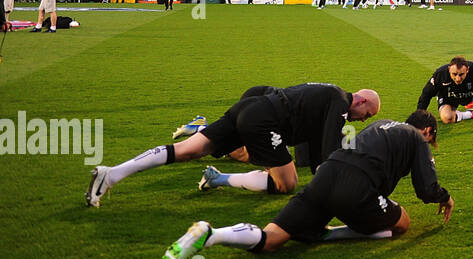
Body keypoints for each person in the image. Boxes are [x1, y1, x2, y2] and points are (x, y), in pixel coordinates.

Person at [161, 111, 453, 259]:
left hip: (326, 174)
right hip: (357, 188)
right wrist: (444, 196)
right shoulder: (417, 142)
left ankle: (212, 234)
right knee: (403, 221)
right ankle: (329, 234)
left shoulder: (379, 125)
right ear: (426, 132)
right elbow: (425, 189)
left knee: (271, 239)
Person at [85, 83, 382, 206]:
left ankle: (111, 174)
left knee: (189, 150)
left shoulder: (329, 92)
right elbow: (329, 147)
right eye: (365, 115)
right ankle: (219, 179)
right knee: (287, 182)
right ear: (362, 100)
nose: (360, 120)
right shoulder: (341, 100)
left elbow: (318, 147)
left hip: (251, 108)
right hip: (266, 121)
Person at [417, 57, 473, 130]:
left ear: (467, 70)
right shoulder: (441, 74)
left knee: (469, 101)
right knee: (447, 118)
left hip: (468, 95)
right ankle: (471, 114)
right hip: (448, 97)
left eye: (461, 74)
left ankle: (469, 104)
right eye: (454, 74)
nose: (458, 79)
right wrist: (419, 119)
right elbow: (426, 95)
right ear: (449, 70)